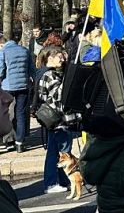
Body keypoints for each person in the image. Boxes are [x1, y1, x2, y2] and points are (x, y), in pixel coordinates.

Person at [37, 48, 75, 194]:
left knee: (56, 152)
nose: (63, 59)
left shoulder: (47, 73)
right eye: (60, 56)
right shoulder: (51, 75)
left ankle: (60, 182)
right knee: (61, 153)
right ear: (50, 58)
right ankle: (52, 183)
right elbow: (58, 98)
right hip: (59, 121)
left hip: (55, 121)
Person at [0, 34, 35, 153]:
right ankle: (20, 143)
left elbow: (1, 70)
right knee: (20, 114)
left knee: (7, 114)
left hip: (8, 86)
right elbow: (31, 69)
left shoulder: (4, 51)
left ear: (2, 44)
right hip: (23, 86)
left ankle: (9, 141)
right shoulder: (25, 50)